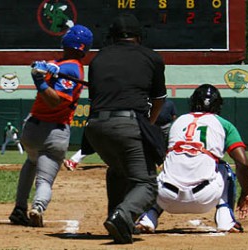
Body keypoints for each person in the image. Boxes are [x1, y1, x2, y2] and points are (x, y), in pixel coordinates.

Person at [83, 13, 167, 244]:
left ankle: (116, 219)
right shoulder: (152, 58)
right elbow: (159, 100)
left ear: (113, 36)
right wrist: (147, 125)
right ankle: (124, 215)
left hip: (95, 127)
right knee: (147, 183)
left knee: (118, 170)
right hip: (128, 122)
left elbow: (95, 100)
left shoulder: (98, 59)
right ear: (139, 36)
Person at [135, 84, 248, 234]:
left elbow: (160, 154)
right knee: (224, 168)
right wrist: (246, 192)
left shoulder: (177, 123)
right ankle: (226, 221)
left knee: (165, 173)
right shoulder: (224, 124)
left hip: (166, 198)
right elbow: (243, 163)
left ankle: (147, 219)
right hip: (204, 198)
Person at [8, 24, 93, 227]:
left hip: (33, 130)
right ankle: (38, 207)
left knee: (31, 161)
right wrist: (43, 70)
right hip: (55, 131)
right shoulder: (69, 66)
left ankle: (19, 209)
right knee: (44, 179)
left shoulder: (68, 66)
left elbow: (54, 98)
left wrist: (40, 80)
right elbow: (55, 96)